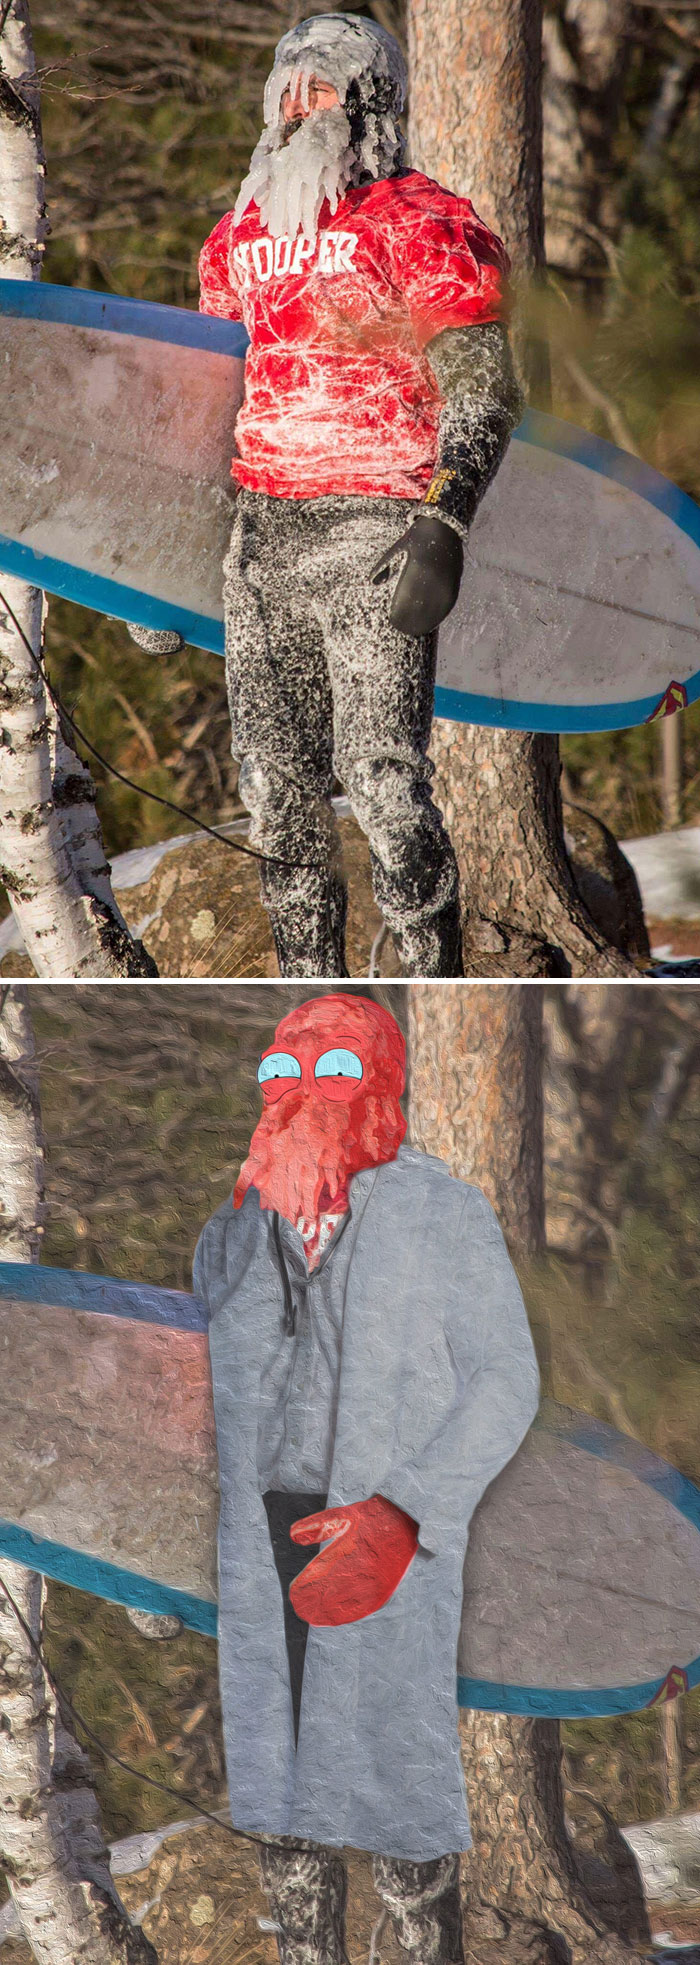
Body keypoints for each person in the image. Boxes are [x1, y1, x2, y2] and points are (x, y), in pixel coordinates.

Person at [130, 13, 523, 982]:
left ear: (370, 100)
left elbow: (484, 381)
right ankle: (313, 993)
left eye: (321, 87)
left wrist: (443, 522)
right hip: (258, 545)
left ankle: (434, 985)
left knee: (385, 788)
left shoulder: (418, 219)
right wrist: (151, 564)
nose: (297, 106)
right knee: (276, 794)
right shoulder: (237, 238)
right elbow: (204, 397)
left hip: (375, 533)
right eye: (285, 88)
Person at [193, 993, 540, 1965]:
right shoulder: (227, 1236)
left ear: (379, 1084)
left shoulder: (440, 1212)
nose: (303, 1092)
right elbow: (191, 1408)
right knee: (286, 1823)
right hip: (261, 1544)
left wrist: (405, 1511)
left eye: (334, 1069)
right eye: (283, 1072)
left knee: (394, 1808)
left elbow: (505, 1378)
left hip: (384, 1540)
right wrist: (158, 1558)